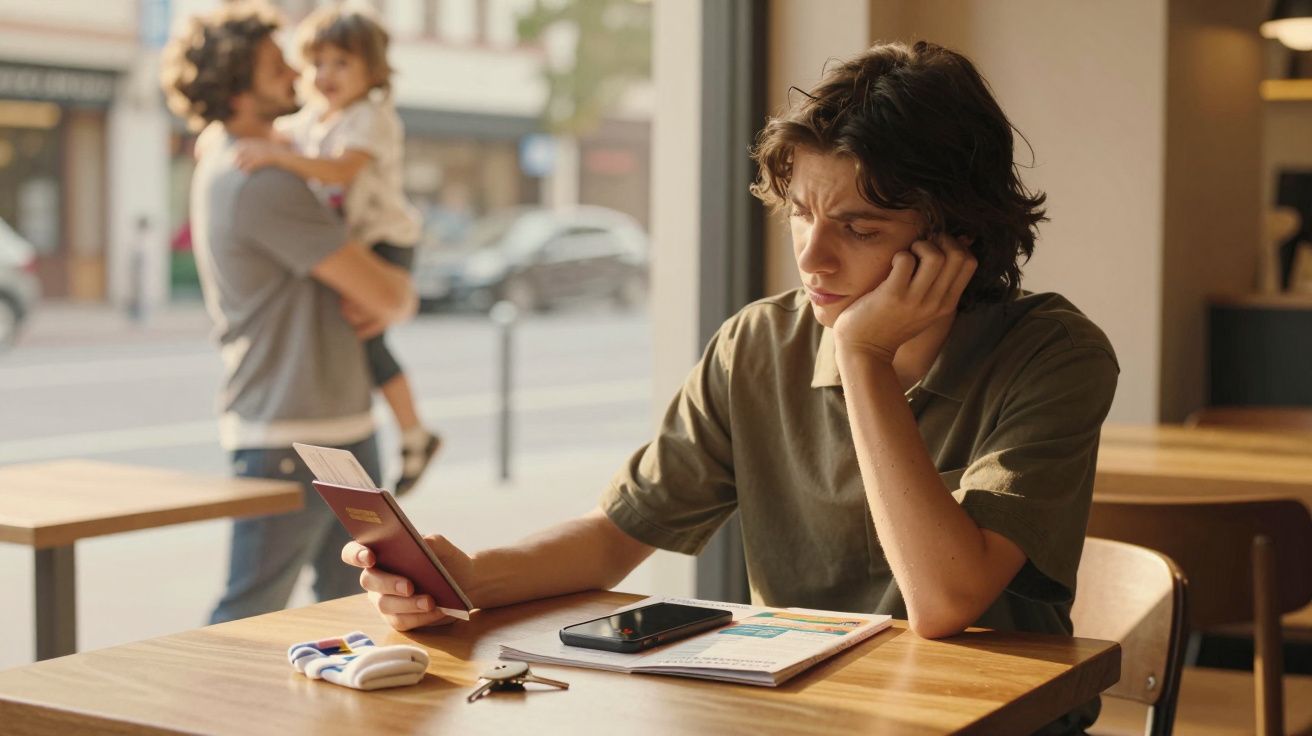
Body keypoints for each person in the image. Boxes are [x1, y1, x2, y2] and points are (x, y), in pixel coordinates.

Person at [344, 41, 1118, 733]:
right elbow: (618, 534)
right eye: (802, 214)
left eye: (859, 229)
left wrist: (862, 359)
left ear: (957, 238)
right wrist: (471, 576)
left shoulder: (1054, 354)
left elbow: (945, 604)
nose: (812, 259)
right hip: (807, 714)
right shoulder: (758, 344)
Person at [159, 1, 417, 623]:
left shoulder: (232, 154)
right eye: (279, 68)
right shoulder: (262, 180)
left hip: (321, 422)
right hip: (298, 435)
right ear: (239, 89)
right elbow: (387, 297)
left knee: (347, 612)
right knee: (249, 618)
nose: (300, 78)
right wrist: (402, 296)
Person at [232, 3, 441, 496]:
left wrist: (277, 158)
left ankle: (415, 434)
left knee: (368, 337)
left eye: (342, 63)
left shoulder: (370, 118)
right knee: (361, 340)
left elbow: (341, 170)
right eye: (318, 62)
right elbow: (273, 135)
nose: (326, 75)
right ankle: (414, 434)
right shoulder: (315, 118)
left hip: (387, 239)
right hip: (358, 238)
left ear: (372, 71)